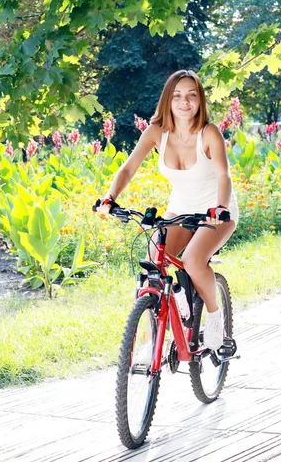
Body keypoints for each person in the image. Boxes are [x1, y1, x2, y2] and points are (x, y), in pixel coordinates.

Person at [97, 69, 239, 351]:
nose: (184, 102)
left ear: (200, 101)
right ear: (167, 101)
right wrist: (109, 198)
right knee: (154, 262)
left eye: (191, 95)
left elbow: (224, 176)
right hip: (182, 208)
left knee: (194, 260)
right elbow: (128, 168)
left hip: (216, 210)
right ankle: (175, 301)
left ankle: (214, 318)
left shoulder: (209, 133)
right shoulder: (156, 133)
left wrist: (220, 207)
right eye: (177, 96)